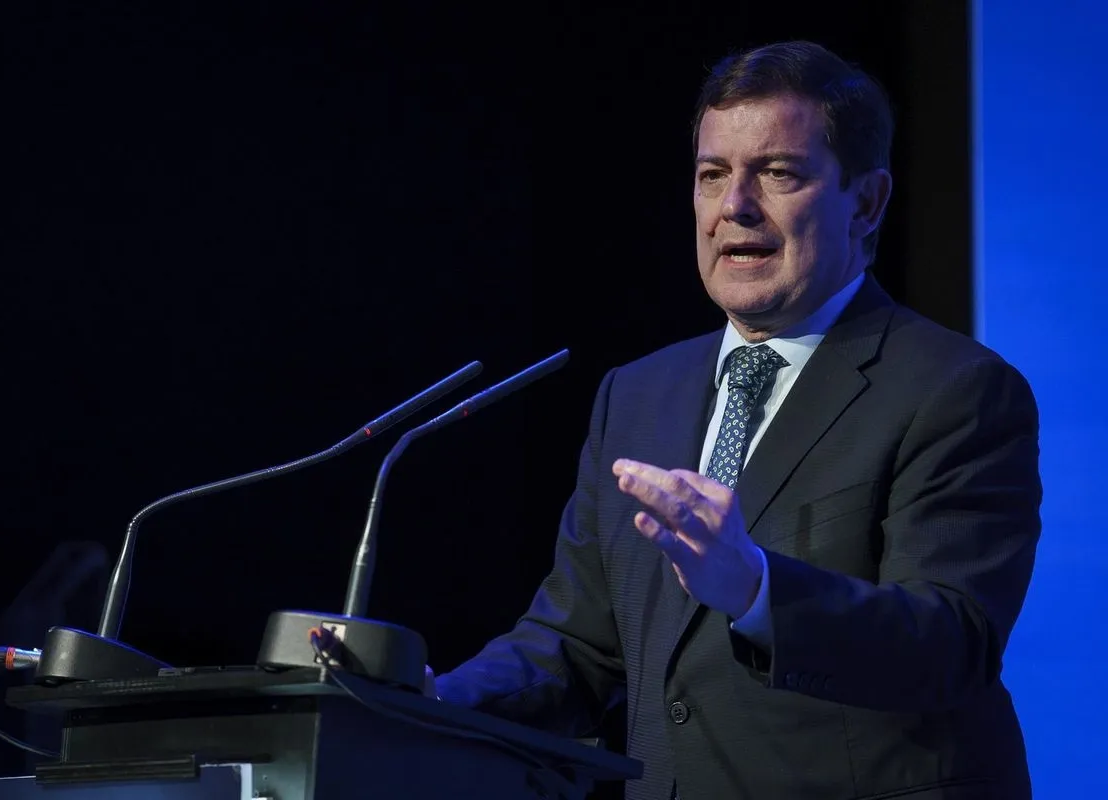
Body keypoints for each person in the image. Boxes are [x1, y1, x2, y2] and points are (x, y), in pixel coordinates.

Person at [433, 40, 1041, 800]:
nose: (734, 207)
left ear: (866, 202)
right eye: (712, 174)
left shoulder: (956, 389)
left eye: (778, 173)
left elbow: (951, 643)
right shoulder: (637, 394)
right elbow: (575, 646)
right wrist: (424, 700)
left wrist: (756, 589)